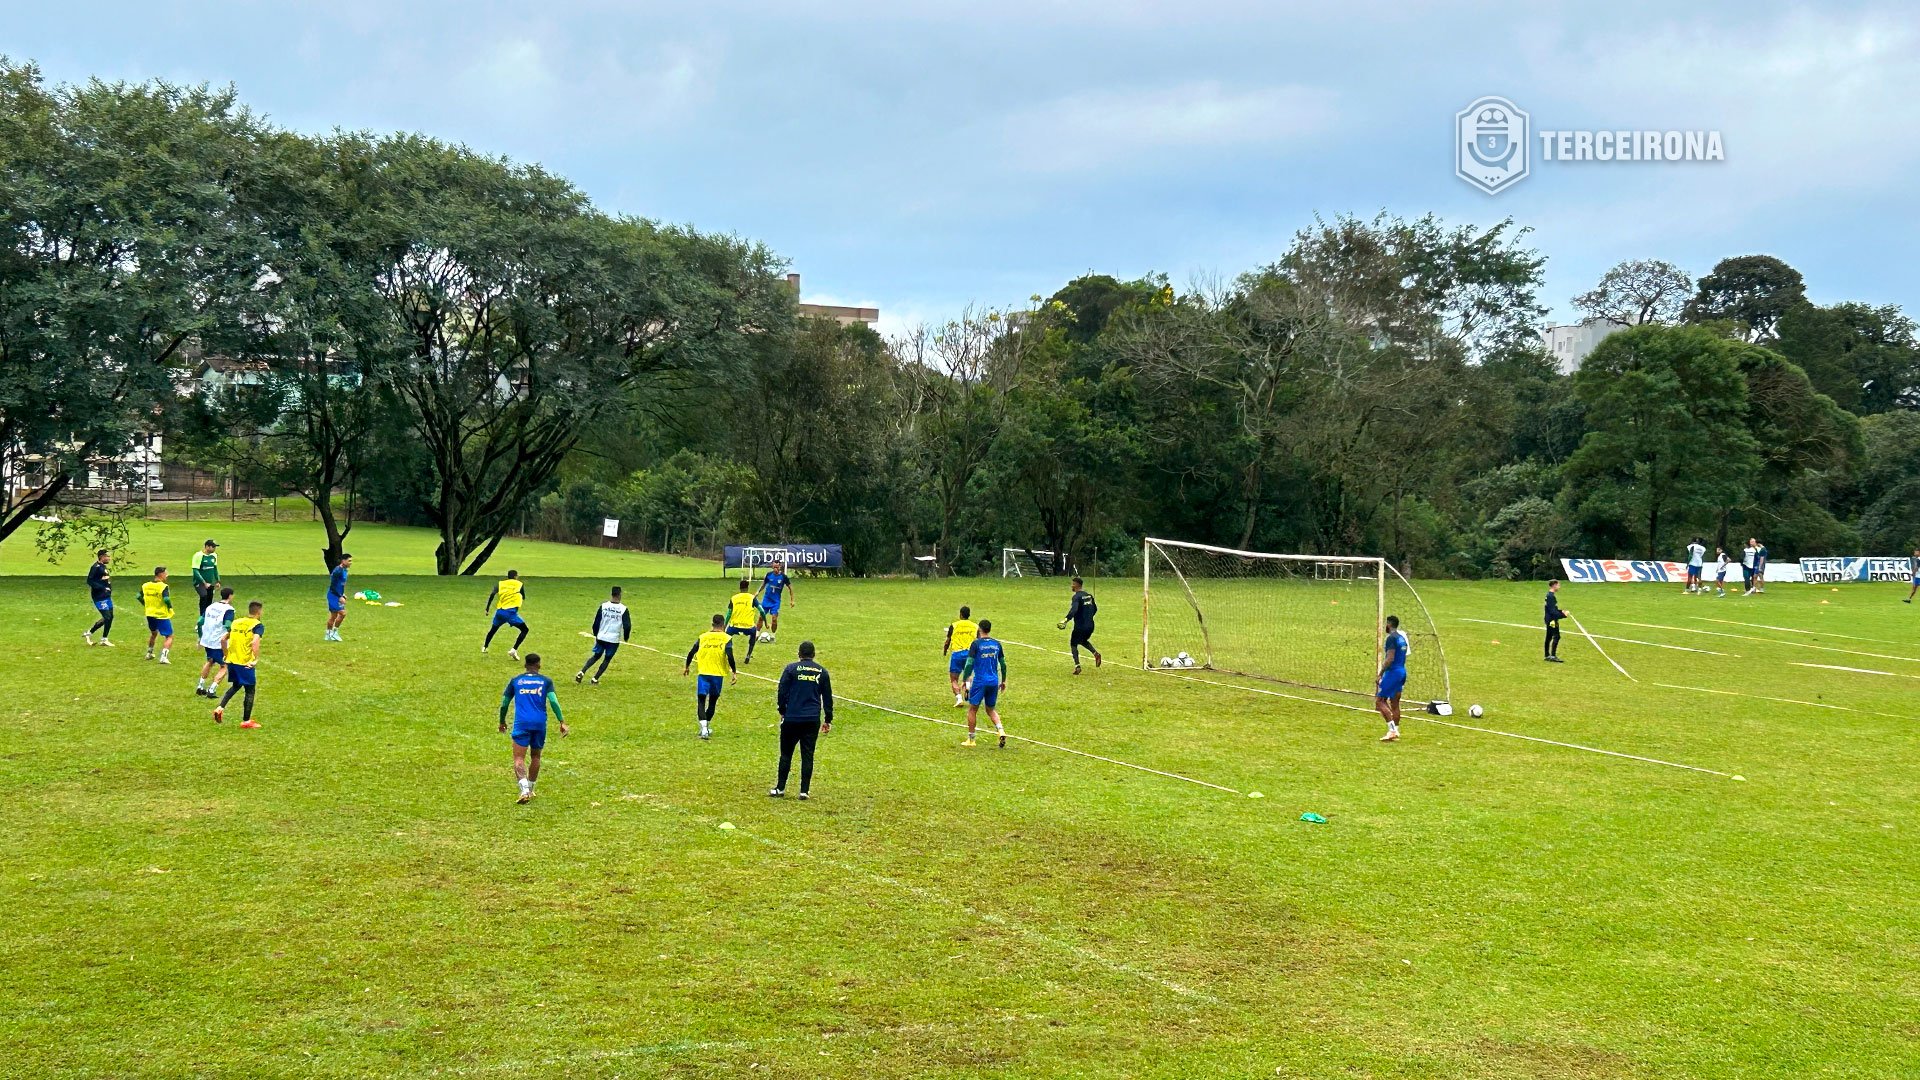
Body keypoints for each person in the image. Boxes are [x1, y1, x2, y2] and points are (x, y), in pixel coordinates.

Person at [499, 653, 567, 804]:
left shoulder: (516, 681)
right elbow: (554, 702)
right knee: (536, 757)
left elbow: (504, 703)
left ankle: (524, 790)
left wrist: (502, 720)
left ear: (525, 665)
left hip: (522, 723)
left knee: (518, 758)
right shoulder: (545, 681)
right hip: (539, 723)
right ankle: (531, 788)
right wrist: (561, 721)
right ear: (539, 665)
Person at [771, 640, 834, 800]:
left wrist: (782, 710)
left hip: (792, 717)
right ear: (813, 655)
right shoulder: (822, 672)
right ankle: (804, 791)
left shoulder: (791, 669)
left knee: (786, 754)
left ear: (799, 654)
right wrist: (827, 719)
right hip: (811, 719)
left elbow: (782, 691)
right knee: (808, 754)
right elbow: (827, 697)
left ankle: (780, 788)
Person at [682, 613, 738, 740]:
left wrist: (687, 666)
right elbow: (730, 655)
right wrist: (734, 672)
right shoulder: (727, 638)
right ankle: (706, 727)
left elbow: (692, 651)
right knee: (712, 702)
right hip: (717, 675)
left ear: (712, 624)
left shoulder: (703, 637)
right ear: (723, 624)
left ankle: (704, 729)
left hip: (704, 673)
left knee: (701, 701)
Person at [214, 600, 266, 729]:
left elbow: (223, 639)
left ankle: (220, 707)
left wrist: (226, 655)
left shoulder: (236, 622)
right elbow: (255, 642)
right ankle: (246, 721)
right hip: (244, 662)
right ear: (259, 612)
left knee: (236, 685)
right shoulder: (257, 625)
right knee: (250, 690)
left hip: (232, 661)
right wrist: (255, 660)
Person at [961, 619, 1007, 748]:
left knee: (972, 709)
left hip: (980, 681)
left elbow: (969, 663)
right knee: (990, 709)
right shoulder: (997, 644)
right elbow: (1003, 664)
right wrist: (1003, 681)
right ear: (990, 630)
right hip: (994, 681)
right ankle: (1001, 730)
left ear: (979, 629)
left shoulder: (976, 644)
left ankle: (971, 739)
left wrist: (965, 680)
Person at [576, 586, 632, 684]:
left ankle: (582, 671)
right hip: (613, 640)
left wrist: (596, 633)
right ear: (620, 595)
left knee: (596, 656)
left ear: (612, 594)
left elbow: (596, 621)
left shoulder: (604, 606)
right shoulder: (623, 609)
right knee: (607, 659)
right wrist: (626, 637)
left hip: (601, 637)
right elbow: (627, 625)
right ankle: (595, 679)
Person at [195, 587, 236, 698]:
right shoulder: (229, 610)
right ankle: (212, 689)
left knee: (210, 661)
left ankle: (200, 686)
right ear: (230, 596)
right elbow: (228, 625)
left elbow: (200, 621)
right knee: (225, 666)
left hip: (207, 639)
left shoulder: (211, 606)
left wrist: (200, 637)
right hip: (218, 642)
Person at [482, 569, 531, 658]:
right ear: (516, 576)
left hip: (500, 611)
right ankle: (514, 650)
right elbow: (523, 596)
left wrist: (487, 608)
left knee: (493, 629)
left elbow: (492, 594)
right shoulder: (519, 584)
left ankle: (485, 647)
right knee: (525, 630)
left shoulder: (500, 584)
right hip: (510, 612)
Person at [1058, 577, 1101, 674]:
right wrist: (1088, 617)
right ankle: (1096, 654)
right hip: (1090, 626)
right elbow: (1095, 609)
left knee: (1073, 644)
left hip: (1080, 626)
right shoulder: (1089, 596)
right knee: (1082, 640)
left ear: (1077, 585)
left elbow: (1074, 610)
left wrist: (1066, 619)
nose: (1071, 586)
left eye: (1073, 584)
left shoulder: (1076, 597)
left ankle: (1077, 666)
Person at [1377, 615, 1409, 742]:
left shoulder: (1391, 638)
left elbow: (1389, 658)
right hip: (1402, 671)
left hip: (1393, 673)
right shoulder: (1402, 638)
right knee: (1395, 703)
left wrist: (1380, 674)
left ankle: (1392, 730)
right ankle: (1396, 730)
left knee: (1380, 701)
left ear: (1389, 624)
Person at [942, 606, 979, 707]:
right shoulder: (975, 626)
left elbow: (947, 641)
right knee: (968, 675)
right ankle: (967, 687)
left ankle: (959, 698)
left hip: (957, 654)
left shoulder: (954, 625)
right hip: (970, 655)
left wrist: (945, 650)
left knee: (954, 679)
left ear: (960, 614)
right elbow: (979, 641)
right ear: (969, 615)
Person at [141, 566, 175, 664]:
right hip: (161, 614)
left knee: (154, 633)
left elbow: (139, 596)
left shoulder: (146, 585)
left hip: (149, 613)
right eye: (166, 573)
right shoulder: (163, 586)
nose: (167, 575)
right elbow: (166, 599)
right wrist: (170, 607)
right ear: (161, 574)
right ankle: (164, 657)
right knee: (169, 636)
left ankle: (149, 653)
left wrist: (146, 605)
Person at [755, 560, 795, 637]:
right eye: (774, 567)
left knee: (774, 619)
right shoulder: (769, 575)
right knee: (761, 617)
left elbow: (790, 588)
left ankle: (773, 635)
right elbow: (764, 584)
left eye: (777, 567)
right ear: (772, 567)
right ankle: (756, 634)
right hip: (766, 599)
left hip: (775, 601)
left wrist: (792, 600)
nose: (775, 568)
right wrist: (758, 592)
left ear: (780, 567)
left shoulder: (783, 577)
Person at [84, 549, 115, 647]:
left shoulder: (103, 567)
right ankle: (90, 632)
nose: (109, 558)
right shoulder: (95, 567)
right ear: (101, 557)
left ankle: (104, 639)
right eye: (107, 556)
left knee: (110, 617)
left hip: (106, 596)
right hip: (99, 597)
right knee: (107, 617)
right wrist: (102, 588)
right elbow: (90, 581)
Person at [726, 578, 761, 664]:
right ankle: (748, 654)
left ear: (740, 588)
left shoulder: (734, 598)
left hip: (734, 627)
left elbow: (729, 613)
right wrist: (766, 623)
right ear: (747, 587)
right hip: (748, 627)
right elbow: (762, 611)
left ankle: (728, 654)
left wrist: (724, 625)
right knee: (754, 634)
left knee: (726, 637)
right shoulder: (752, 598)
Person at [325, 553, 352, 641]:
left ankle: (328, 634)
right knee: (342, 613)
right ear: (343, 561)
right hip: (333, 595)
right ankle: (334, 633)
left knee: (333, 616)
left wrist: (342, 594)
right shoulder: (338, 571)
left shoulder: (344, 570)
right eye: (349, 561)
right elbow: (333, 586)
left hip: (338, 594)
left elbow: (340, 585)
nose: (350, 563)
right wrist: (339, 596)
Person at [191, 538, 221, 614]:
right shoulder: (198, 555)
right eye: (213, 547)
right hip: (199, 582)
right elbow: (195, 570)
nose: (214, 548)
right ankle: (202, 615)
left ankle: (207, 615)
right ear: (207, 547)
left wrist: (218, 580)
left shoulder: (214, 556)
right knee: (204, 596)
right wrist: (204, 582)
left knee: (209, 599)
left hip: (210, 582)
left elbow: (214, 568)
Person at [1543, 579, 1567, 663]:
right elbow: (1552, 611)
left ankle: (1547, 655)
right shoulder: (1550, 596)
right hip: (1552, 620)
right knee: (1556, 636)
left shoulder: (1550, 595)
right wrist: (1563, 615)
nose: (1559, 587)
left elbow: (1553, 609)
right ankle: (1552, 656)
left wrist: (1561, 611)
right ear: (1554, 585)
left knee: (1549, 637)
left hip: (1550, 619)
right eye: (1558, 585)